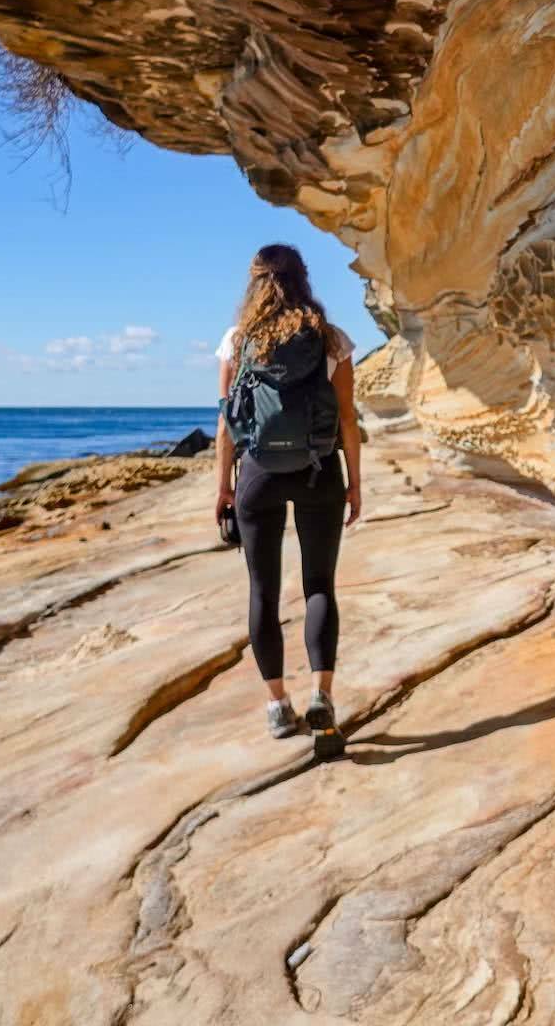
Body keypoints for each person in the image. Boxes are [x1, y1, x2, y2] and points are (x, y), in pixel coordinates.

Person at [213, 243, 362, 742]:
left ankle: (278, 706)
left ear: (255, 283)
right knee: (319, 585)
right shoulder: (331, 338)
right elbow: (347, 420)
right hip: (320, 471)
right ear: (304, 279)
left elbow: (226, 423)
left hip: (258, 476)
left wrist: (224, 487)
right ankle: (322, 695)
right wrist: (355, 484)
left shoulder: (238, 340)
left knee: (263, 591)